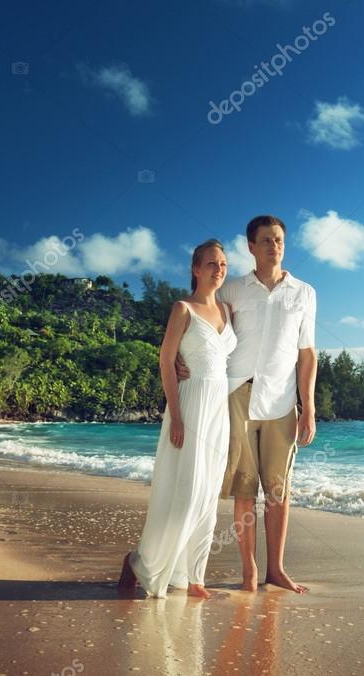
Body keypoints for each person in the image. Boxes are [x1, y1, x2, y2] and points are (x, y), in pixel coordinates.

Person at [175, 214, 317, 593]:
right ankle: (250, 571)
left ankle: (277, 569)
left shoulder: (304, 292)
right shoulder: (232, 289)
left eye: (279, 240)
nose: (275, 246)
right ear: (251, 247)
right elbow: (199, 317)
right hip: (236, 394)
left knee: (277, 490)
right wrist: (177, 355)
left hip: (283, 400)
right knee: (243, 488)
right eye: (266, 241)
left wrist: (310, 408)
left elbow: (308, 355)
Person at [118, 239, 238, 599]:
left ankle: (193, 576)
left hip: (219, 410)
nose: (219, 270)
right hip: (189, 404)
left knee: (207, 496)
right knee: (183, 493)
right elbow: (166, 360)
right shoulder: (182, 309)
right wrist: (177, 417)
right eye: (212, 264)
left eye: (224, 264)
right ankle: (140, 563)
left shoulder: (230, 310)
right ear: (196, 269)